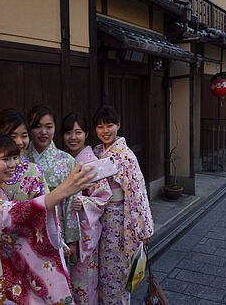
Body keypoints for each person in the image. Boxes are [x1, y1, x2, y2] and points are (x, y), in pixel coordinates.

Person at [0, 130, 95, 303]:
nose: (13, 164)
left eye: (14, 157)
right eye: (5, 159)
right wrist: (62, 191)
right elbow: (13, 214)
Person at [92, 106, 154, 304]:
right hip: (98, 217)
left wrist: (142, 229)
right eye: (100, 126)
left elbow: (137, 194)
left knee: (115, 271)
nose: (105, 130)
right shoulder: (97, 152)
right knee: (101, 269)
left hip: (119, 220)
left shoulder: (126, 156)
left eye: (109, 125)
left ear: (118, 125)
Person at [61, 112, 112, 305]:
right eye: (68, 132)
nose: (73, 137)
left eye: (78, 132)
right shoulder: (62, 160)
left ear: (86, 134)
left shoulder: (91, 161)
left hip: (84, 232)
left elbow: (103, 195)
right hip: (64, 229)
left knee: (84, 282)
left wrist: (83, 202)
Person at [25, 105, 80, 263]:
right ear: (29, 128)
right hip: (29, 228)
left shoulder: (67, 160)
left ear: (55, 128)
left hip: (58, 228)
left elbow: (71, 203)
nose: (43, 132)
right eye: (37, 126)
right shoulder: (20, 161)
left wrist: (72, 241)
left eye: (48, 127)